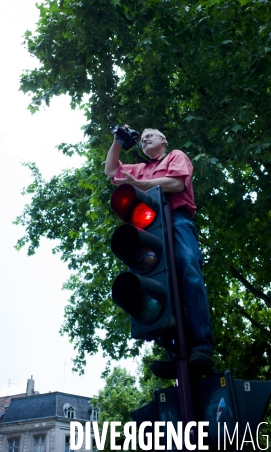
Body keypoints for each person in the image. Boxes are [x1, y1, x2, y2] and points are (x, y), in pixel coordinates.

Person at [104, 127, 213, 374]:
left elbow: (175, 183)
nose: (145, 140)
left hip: (177, 221)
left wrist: (140, 184)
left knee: (189, 272)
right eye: (141, 139)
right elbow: (110, 170)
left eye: (150, 136)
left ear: (164, 140)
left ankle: (201, 347)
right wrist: (118, 142)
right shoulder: (139, 168)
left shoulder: (175, 156)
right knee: (158, 284)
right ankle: (173, 350)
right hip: (151, 231)